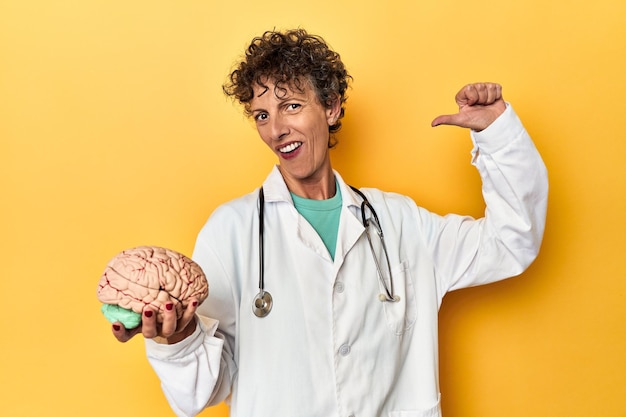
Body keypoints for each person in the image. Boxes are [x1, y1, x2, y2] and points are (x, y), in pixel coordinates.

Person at [112, 28, 548, 417]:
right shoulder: (232, 230)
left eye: (292, 106)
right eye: (262, 115)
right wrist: (178, 339)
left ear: (332, 107)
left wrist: (498, 137)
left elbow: (512, 243)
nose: (276, 128)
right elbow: (203, 393)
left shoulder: (400, 223)